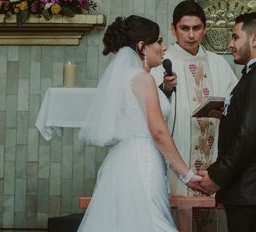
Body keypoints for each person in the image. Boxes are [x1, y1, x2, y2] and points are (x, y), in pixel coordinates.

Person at [77, 15, 201, 232]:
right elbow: (159, 132)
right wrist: (186, 174)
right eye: (159, 42)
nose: (164, 48)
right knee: (152, 223)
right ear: (142, 46)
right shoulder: (143, 79)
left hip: (125, 160)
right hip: (142, 162)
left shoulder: (129, 77)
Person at [197, 12, 256, 232]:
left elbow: (248, 136)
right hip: (249, 189)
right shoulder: (255, 74)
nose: (230, 44)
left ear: (254, 39)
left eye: (235, 37)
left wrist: (217, 176)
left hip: (252, 189)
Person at [151, 0, 237, 199]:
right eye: (184, 28)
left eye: (197, 28)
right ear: (173, 29)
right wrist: (165, 89)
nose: (191, 35)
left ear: (205, 29)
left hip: (213, 153)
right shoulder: (160, 63)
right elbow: (148, 109)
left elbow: (235, 104)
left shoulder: (218, 64)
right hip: (176, 151)